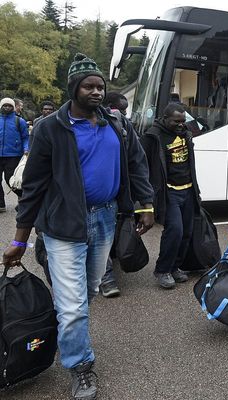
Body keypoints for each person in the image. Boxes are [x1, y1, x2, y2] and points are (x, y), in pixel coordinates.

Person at [2, 53, 155, 400]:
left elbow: (137, 163)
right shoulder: (49, 128)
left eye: (101, 86)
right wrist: (20, 242)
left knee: (84, 296)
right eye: (89, 86)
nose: (97, 92)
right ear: (74, 89)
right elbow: (34, 187)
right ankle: (81, 366)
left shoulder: (116, 123)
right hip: (61, 225)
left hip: (104, 219)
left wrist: (145, 205)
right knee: (73, 307)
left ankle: (65, 334)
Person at [140, 102, 202, 289]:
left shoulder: (186, 133)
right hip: (169, 192)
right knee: (175, 231)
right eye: (176, 121)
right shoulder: (153, 137)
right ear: (165, 119)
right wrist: (147, 198)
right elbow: (142, 166)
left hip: (189, 190)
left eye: (183, 121)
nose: (180, 124)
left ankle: (175, 267)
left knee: (187, 232)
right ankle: (162, 270)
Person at [98, 91, 130, 298]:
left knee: (102, 241)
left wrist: (145, 202)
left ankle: (106, 277)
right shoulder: (55, 124)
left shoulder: (120, 125)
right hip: (74, 202)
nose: (124, 114)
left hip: (109, 200)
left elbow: (135, 161)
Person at [0, 97, 29, 212]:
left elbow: (25, 138)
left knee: (11, 179)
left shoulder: (19, 121)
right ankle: (1, 205)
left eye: (9, 106)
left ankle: (23, 198)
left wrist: (26, 149)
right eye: (5, 106)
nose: (7, 107)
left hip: (13, 155)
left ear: (13, 107)